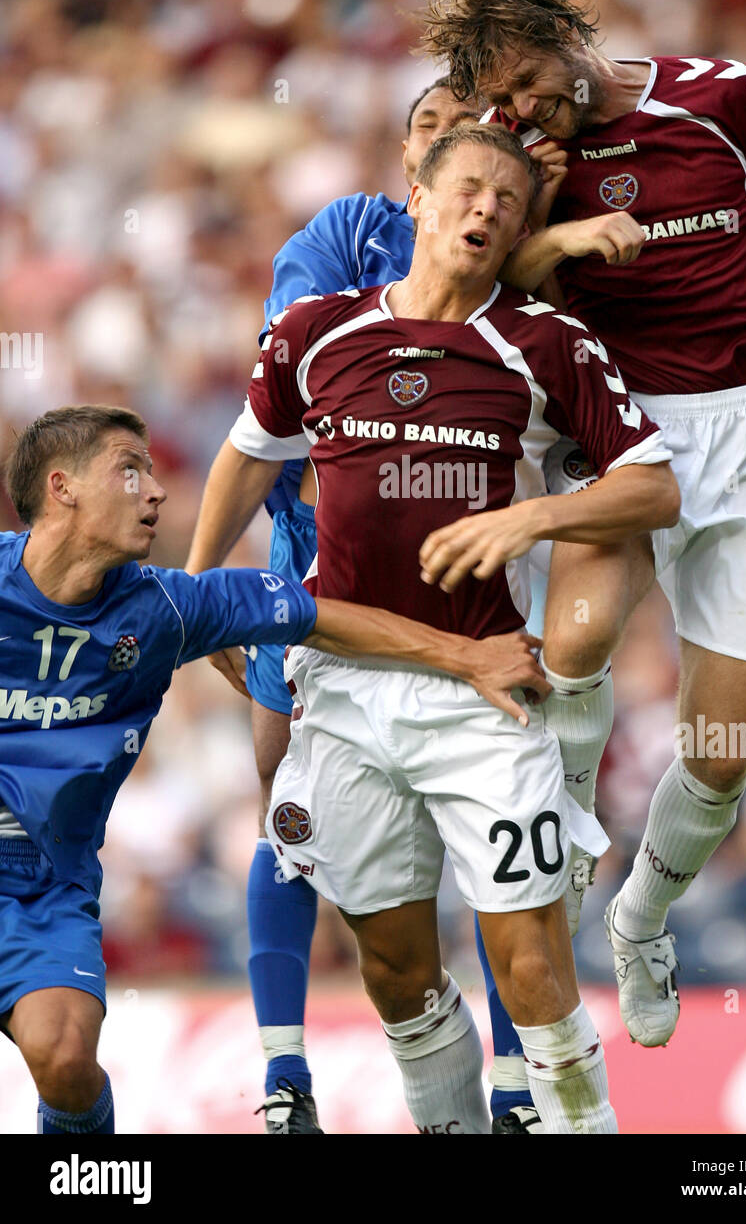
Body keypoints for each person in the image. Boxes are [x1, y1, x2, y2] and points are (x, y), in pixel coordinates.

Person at [415, 0, 746, 1049]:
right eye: (497, 98)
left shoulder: (726, 98)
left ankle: (643, 916)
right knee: (568, 654)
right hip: (615, 432)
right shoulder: (516, 155)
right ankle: (562, 838)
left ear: (569, 38)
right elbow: (469, 279)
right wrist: (554, 229)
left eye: (526, 83)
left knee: (717, 754)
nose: (519, 111)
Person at [185, 79, 639, 1132]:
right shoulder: (337, 249)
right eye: (443, 146)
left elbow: (610, 449)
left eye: (500, 176)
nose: (475, 185)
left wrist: (541, 250)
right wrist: (205, 585)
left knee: (512, 908)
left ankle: (532, 1085)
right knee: (295, 823)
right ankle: (287, 1067)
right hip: (318, 590)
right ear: (410, 166)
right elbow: (260, 433)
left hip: (472, 628)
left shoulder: (533, 318)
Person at [0, 403, 548, 1136]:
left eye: (155, 471)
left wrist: (466, 656)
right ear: (61, 488)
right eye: (130, 471)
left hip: (44, 888)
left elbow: (322, 616)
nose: (156, 491)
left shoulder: (166, 609)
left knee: (66, 1057)